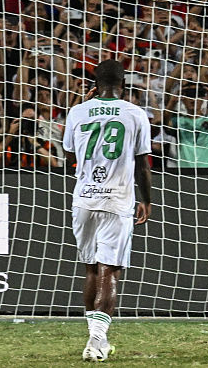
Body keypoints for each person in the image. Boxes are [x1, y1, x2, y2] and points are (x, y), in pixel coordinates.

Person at [61, 59, 152, 361]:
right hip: (117, 198)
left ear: (94, 83)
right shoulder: (135, 113)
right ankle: (97, 339)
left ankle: (94, 340)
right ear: (124, 84)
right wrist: (147, 199)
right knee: (108, 269)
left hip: (84, 197)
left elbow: (69, 152)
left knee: (90, 269)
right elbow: (142, 163)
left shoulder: (77, 111)